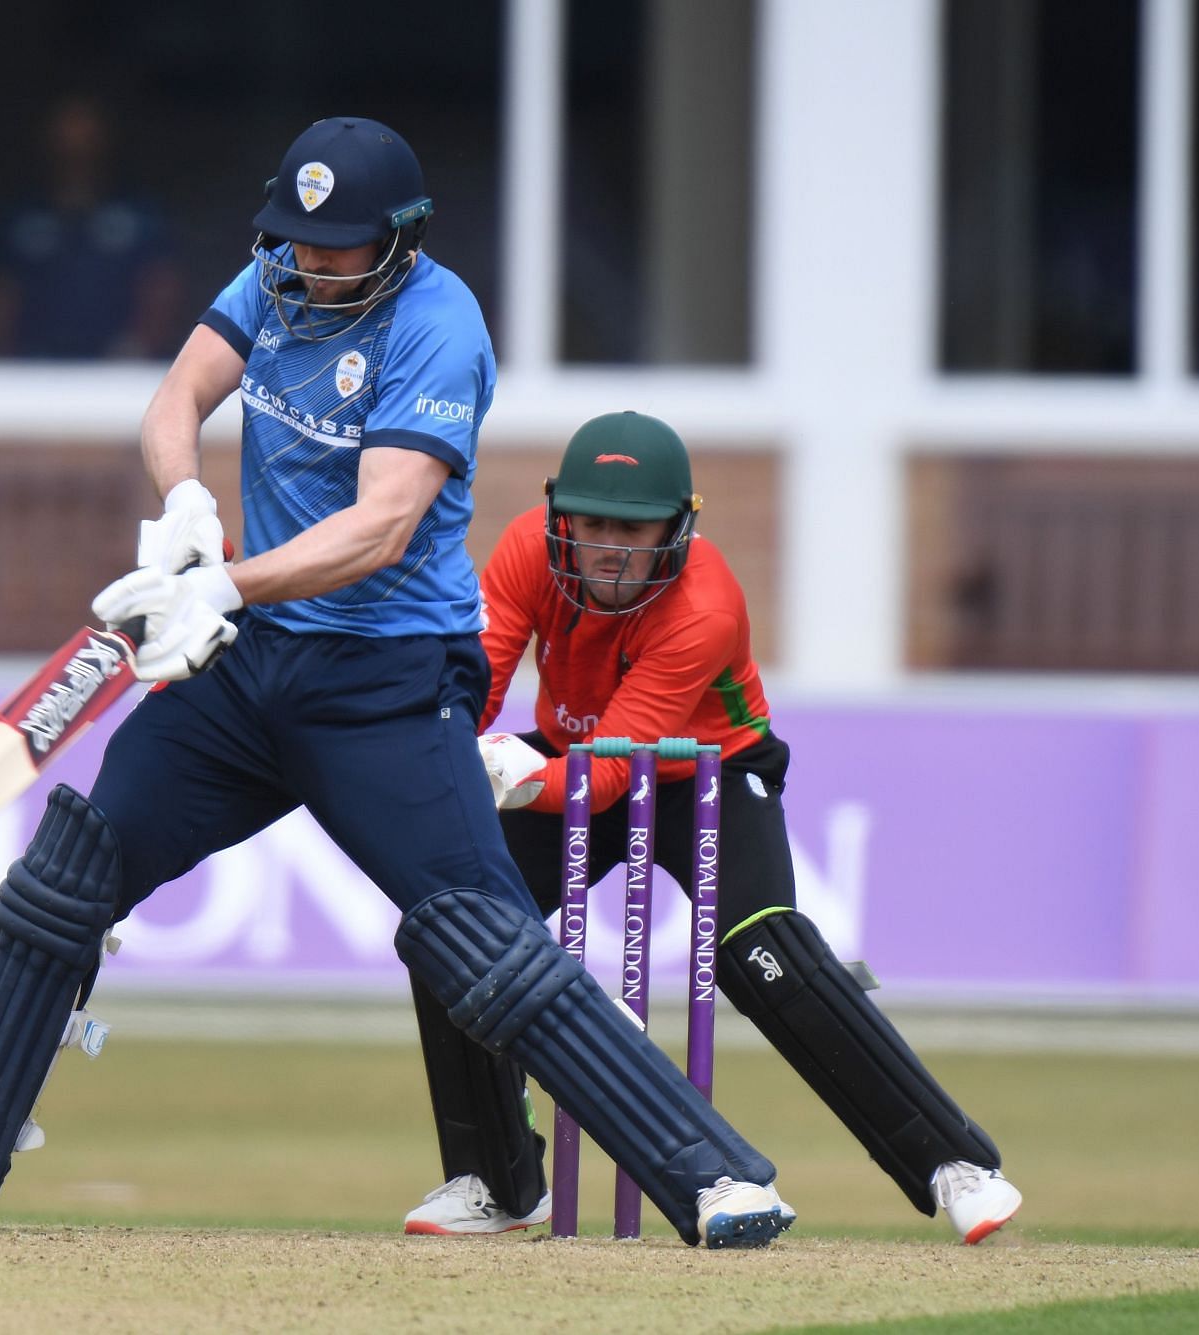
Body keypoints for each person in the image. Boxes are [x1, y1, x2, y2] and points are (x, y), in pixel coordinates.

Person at [0, 118, 796, 1248]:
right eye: (298, 242)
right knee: (72, 872)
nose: (312, 263)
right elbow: (176, 400)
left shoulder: (438, 324)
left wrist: (224, 588)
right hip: (249, 667)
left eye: (338, 247)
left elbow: (382, 523)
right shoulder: (276, 272)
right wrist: (183, 511)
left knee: (481, 935)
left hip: (389, 678)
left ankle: (709, 1177)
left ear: (400, 240)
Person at [398, 411, 1024, 1245]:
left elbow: (620, 774)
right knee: (454, 926)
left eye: (633, 527)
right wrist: (461, 752)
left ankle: (956, 1164)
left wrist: (518, 777)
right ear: (559, 516)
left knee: (762, 953)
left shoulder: (705, 601)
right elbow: (477, 678)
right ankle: (500, 1183)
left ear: (677, 525)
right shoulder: (522, 550)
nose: (610, 548)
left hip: (710, 769)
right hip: (577, 746)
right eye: (592, 525)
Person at [0, 92, 186, 361]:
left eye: (86, 125)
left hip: (120, 373)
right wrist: (4, 366)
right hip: (32, 373)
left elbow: (161, 290)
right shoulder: (20, 220)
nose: (76, 139)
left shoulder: (139, 218)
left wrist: (133, 353)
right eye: (67, 125)